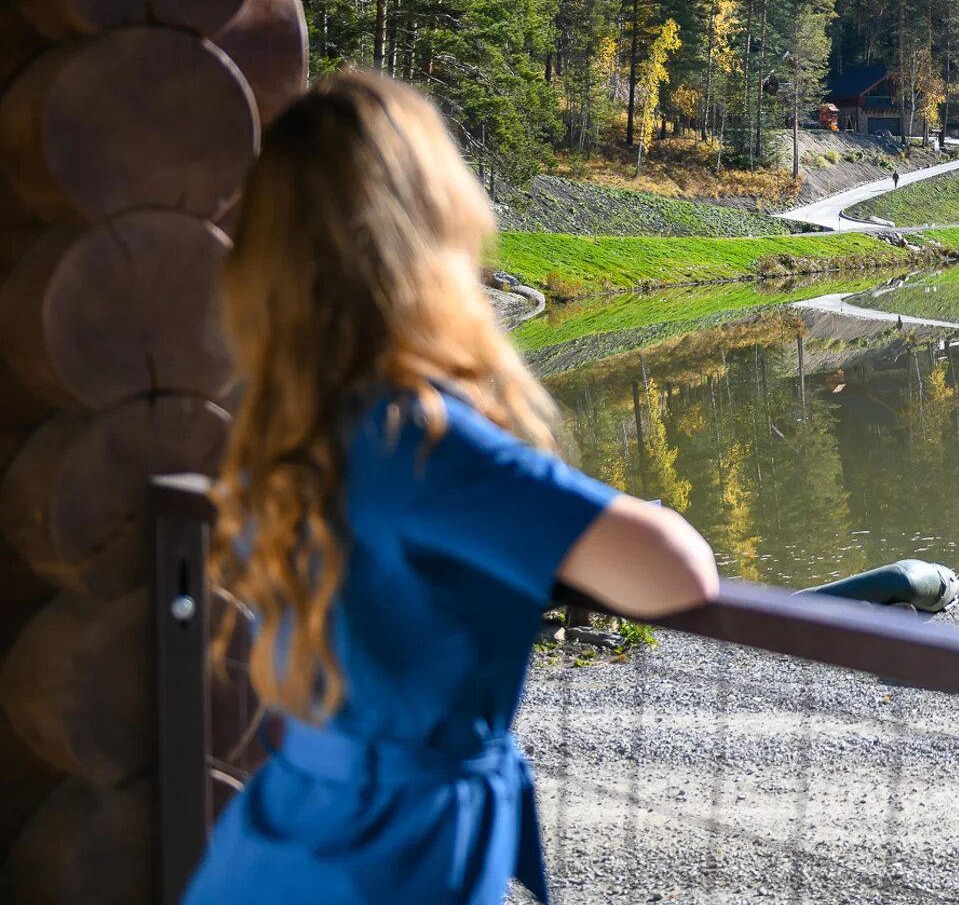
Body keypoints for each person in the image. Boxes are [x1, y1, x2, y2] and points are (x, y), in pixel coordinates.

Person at [186, 72, 719, 904]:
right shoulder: (420, 441)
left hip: (280, 840)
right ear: (430, 234)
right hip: (387, 862)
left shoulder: (285, 428)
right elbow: (678, 568)